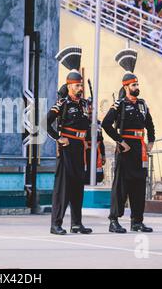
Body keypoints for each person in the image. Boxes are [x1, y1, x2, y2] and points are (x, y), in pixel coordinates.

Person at [102, 49, 155, 233]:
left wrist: (151, 141)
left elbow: (150, 124)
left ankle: (137, 220)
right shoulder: (119, 104)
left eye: (137, 83)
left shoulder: (142, 104)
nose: (136, 86)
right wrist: (119, 141)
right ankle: (114, 220)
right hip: (125, 149)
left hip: (139, 149)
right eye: (133, 84)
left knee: (139, 184)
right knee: (121, 186)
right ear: (126, 87)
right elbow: (107, 124)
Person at [44, 46, 93, 235]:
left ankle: (76, 223)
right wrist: (58, 137)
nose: (80, 88)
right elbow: (45, 123)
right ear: (70, 85)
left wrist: (88, 141)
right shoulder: (62, 103)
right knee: (62, 188)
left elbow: (86, 126)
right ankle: (55, 224)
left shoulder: (84, 104)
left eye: (81, 85)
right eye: (77, 85)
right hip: (66, 148)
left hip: (80, 148)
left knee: (77, 187)